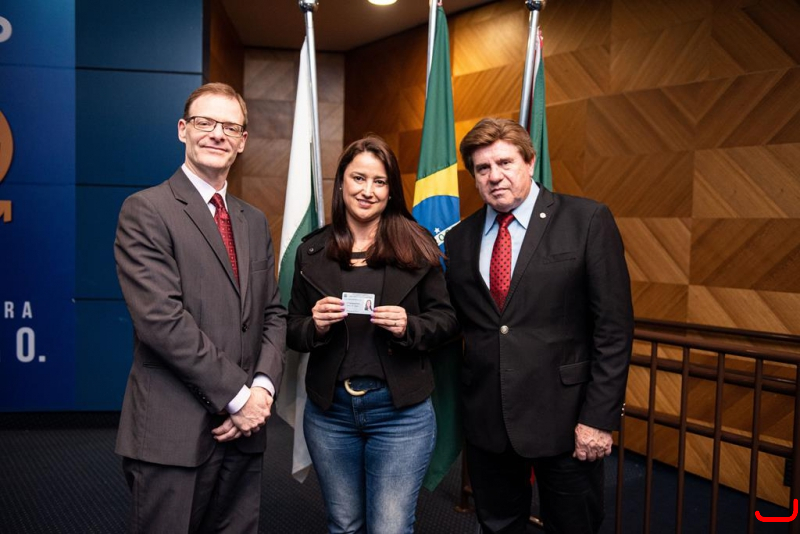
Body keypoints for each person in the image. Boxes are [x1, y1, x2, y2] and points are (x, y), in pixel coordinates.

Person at [444, 118, 633, 534]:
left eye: (505, 163)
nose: (495, 176)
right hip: (489, 422)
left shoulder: (586, 220)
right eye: (482, 168)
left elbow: (613, 330)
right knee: (497, 527)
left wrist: (599, 418)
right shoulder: (459, 238)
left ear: (530, 162)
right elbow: (460, 320)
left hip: (568, 423)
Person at [114, 82, 286, 533]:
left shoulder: (252, 221)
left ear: (243, 141)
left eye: (230, 127)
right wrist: (239, 398)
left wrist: (262, 390)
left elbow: (272, 313)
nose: (217, 134)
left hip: (246, 434)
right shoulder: (146, 210)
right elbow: (162, 322)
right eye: (205, 122)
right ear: (182, 130)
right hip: (173, 434)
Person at [287, 136, 459, 534]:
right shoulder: (311, 251)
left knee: (389, 529)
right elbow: (291, 328)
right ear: (341, 183)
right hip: (330, 413)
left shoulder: (418, 246)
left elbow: (448, 320)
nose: (368, 190)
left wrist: (410, 326)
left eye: (379, 182)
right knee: (344, 524)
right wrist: (314, 324)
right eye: (358, 178)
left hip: (401, 414)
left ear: (391, 189)